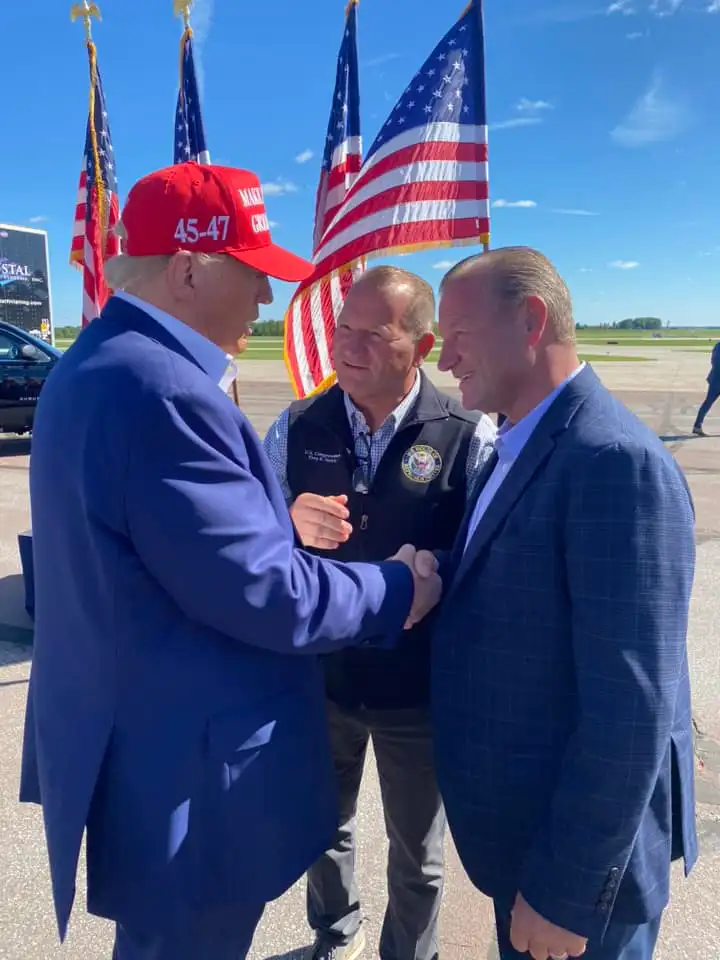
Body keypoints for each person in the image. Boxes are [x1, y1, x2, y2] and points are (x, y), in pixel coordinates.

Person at [18, 161, 442, 960]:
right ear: (186, 269)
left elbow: (156, 546)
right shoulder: (163, 391)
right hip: (186, 764)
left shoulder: (98, 365)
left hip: (143, 733)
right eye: (251, 274)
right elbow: (267, 594)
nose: (265, 299)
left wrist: (268, 522)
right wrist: (397, 587)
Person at [429, 247, 697, 960]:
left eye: (457, 333)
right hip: (523, 841)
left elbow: (628, 712)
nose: (443, 357)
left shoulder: (613, 462)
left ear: (531, 321)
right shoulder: (512, 442)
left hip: (575, 875)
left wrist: (567, 891)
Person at [264, 266, 496, 960]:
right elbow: (246, 545)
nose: (349, 346)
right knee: (323, 826)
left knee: (417, 851)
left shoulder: (466, 435)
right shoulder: (298, 423)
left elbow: (488, 557)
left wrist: (435, 572)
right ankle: (337, 935)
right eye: (343, 329)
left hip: (416, 692)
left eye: (374, 333)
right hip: (321, 680)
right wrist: (284, 521)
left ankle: (408, 953)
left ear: (421, 347)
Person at [692, 340, 720, 436]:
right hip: (717, 380)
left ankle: (697, 426)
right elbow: (716, 363)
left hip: (715, 380)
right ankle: (697, 426)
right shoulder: (719, 346)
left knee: (707, 403)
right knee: (707, 403)